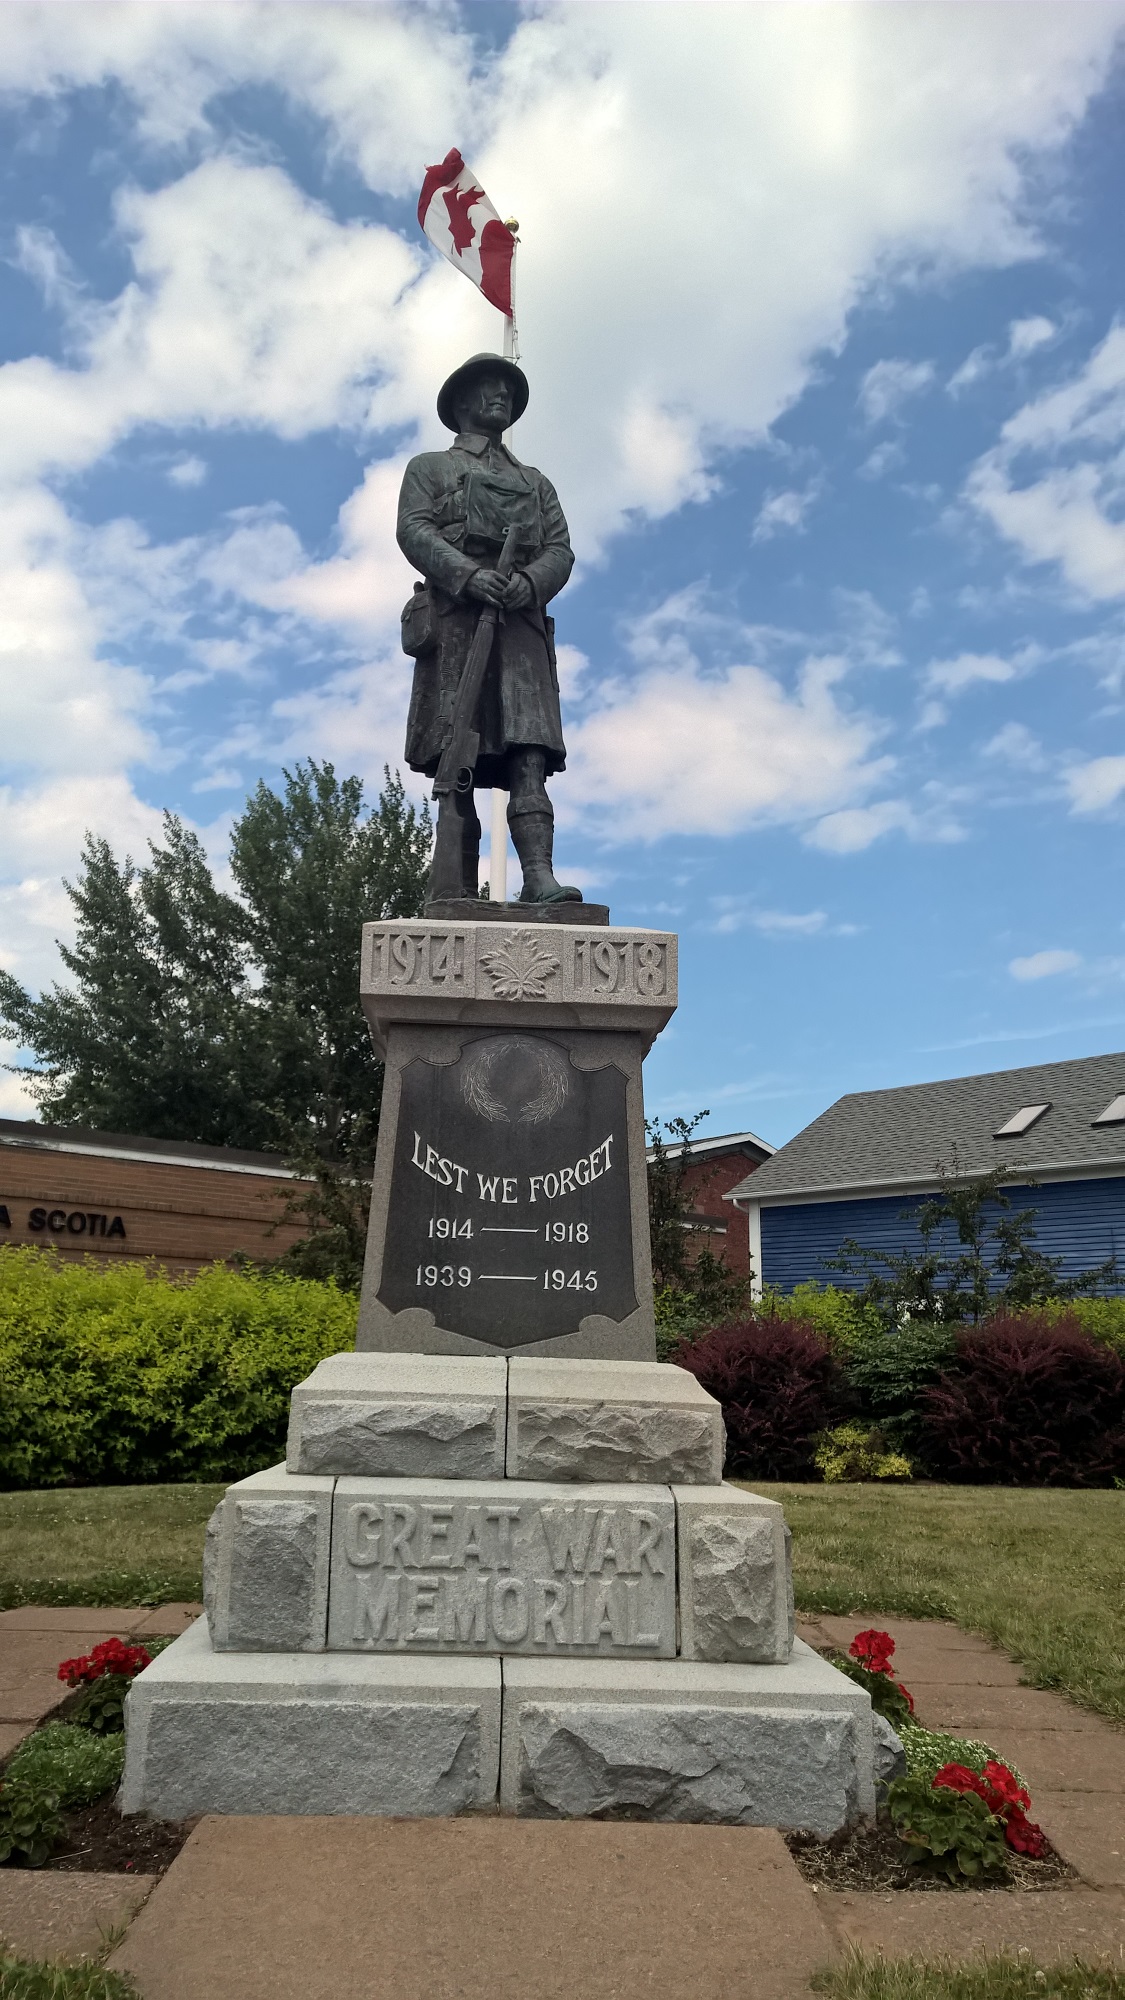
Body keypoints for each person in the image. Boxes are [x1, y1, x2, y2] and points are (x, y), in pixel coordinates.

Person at [397, 352, 581, 904]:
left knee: (529, 752)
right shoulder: (429, 468)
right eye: (488, 386)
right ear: (460, 403)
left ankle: (538, 877)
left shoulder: (534, 481)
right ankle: (455, 883)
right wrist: (467, 575)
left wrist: (530, 582)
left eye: (507, 387)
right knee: (460, 760)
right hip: (458, 622)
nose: (501, 394)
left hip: (519, 623)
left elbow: (560, 549)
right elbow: (413, 529)